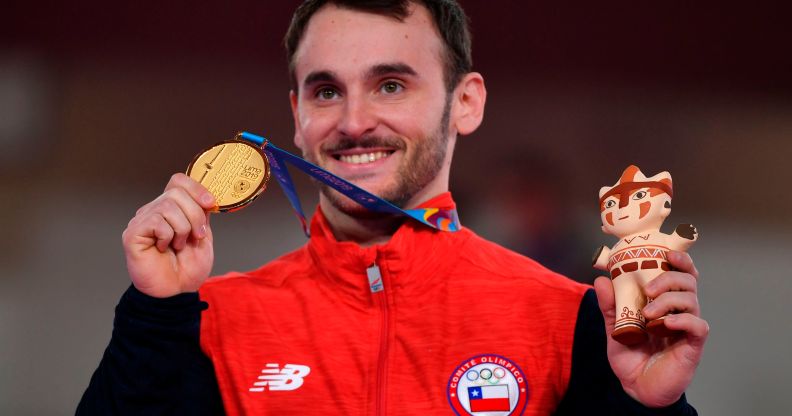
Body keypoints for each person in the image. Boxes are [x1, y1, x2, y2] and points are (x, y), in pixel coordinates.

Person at [77, 1, 709, 415]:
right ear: (297, 115)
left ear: (465, 102)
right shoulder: (211, 323)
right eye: (327, 91)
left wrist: (648, 410)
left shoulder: (568, 321)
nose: (354, 121)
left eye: (390, 84)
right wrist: (155, 320)